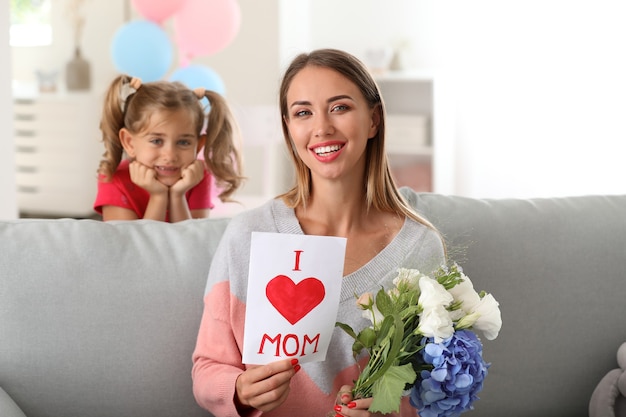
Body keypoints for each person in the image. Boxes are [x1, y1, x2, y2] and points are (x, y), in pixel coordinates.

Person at [191, 48, 446, 417]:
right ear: (289, 127)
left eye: (340, 107)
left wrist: (391, 413)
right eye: (303, 112)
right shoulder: (249, 235)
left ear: (374, 119)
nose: (321, 127)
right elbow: (207, 366)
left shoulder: (420, 247)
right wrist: (239, 391)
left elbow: (435, 387)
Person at [94, 75, 243, 222]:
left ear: (198, 146)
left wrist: (178, 195)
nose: (170, 156)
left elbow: (191, 244)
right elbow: (136, 246)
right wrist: (158, 196)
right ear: (129, 143)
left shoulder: (197, 176)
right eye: (157, 141)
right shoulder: (113, 179)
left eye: (183, 142)